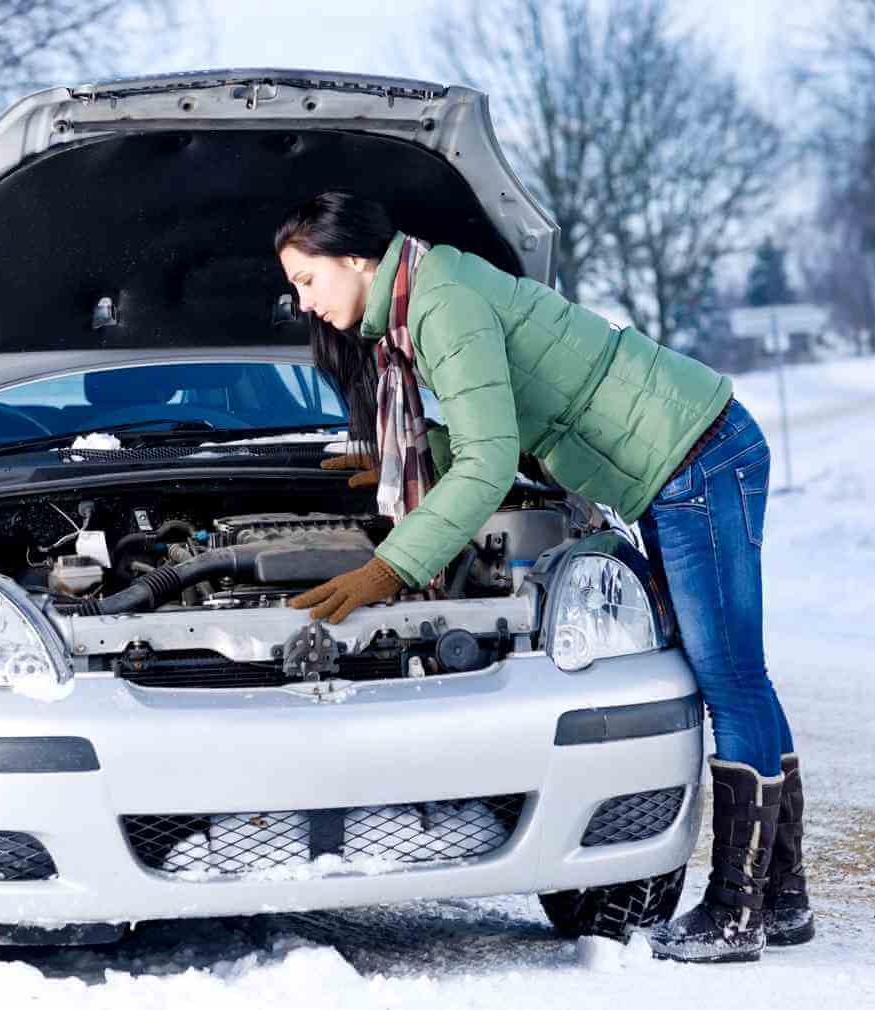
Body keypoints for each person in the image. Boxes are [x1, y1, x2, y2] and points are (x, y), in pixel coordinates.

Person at [275, 191, 813, 963]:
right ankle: (782, 900)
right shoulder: (433, 286)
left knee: (731, 679)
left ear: (354, 260)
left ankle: (737, 911)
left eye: (307, 280)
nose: (305, 302)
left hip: (696, 456)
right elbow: (500, 410)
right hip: (683, 458)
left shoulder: (440, 305)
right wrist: (406, 449)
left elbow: (492, 460)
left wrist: (393, 566)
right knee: (740, 677)